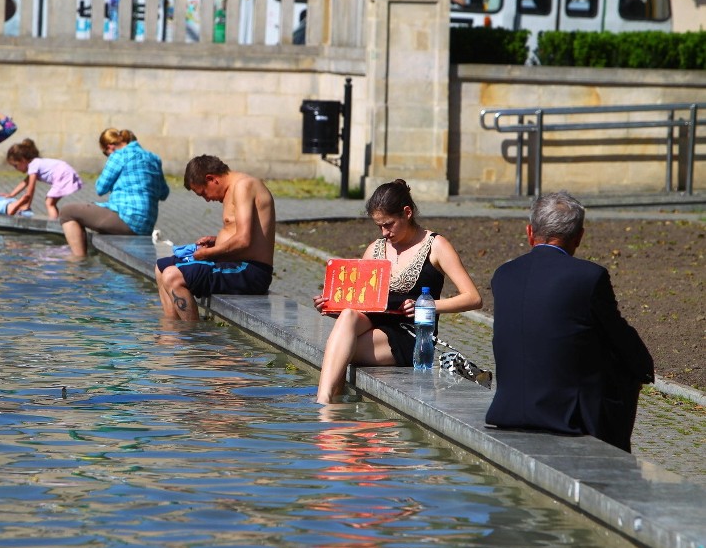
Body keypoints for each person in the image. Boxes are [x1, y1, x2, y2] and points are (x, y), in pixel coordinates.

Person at [485, 191, 654, 453]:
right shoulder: (589, 277)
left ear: (530, 232)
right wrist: (643, 366)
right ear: (579, 237)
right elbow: (616, 334)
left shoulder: (504, 274)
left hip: (506, 408)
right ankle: (614, 461)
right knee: (624, 368)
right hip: (566, 415)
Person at [312, 180, 483, 404]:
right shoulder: (375, 248)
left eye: (389, 224)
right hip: (373, 325)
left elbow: (473, 298)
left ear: (407, 212)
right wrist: (332, 306)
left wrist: (427, 305)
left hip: (411, 335)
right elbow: (360, 303)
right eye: (379, 226)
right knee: (347, 315)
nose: (384, 233)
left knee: (338, 351)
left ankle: (326, 405)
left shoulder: (436, 245)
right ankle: (325, 401)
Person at [155, 155, 275, 321]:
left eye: (203, 193)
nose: (207, 199)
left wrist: (207, 253)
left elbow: (243, 240)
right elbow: (243, 232)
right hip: (235, 264)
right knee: (161, 267)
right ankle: (172, 330)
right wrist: (216, 241)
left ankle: (193, 339)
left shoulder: (243, 186)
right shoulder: (233, 189)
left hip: (250, 271)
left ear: (211, 179)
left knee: (172, 276)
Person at [59, 128, 169, 257]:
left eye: (106, 154)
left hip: (127, 218)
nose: (108, 156)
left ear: (110, 147)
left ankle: (78, 261)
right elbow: (164, 193)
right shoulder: (154, 158)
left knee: (68, 212)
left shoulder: (119, 155)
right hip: (146, 225)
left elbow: (100, 188)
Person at [4, 139, 84, 220]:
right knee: (51, 202)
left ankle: (53, 225)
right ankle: (56, 222)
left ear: (23, 160)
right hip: (64, 171)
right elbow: (25, 182)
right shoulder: (34, 163)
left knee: (49, 202)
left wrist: (26, 205)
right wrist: (11, 194)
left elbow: (30, 189)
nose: (16, 169)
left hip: (63, 174)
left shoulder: (33, 166)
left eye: (16, 165)